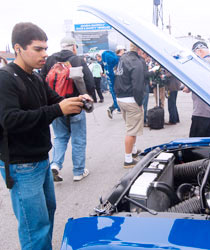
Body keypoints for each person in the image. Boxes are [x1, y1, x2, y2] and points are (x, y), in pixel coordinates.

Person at [0, 22, 89, 250]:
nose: (45, 54)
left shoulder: (35, 76)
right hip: (22, 166)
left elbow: (54, 100)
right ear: (18, 48)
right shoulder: (6, 79)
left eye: (45, 48)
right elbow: (10, 120)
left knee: (46, 220)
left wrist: (77, 100)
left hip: (41, 160)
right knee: (35, 230)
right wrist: (58, 110)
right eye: (38, 49)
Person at [41, 36, 95, 182]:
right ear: (73, 47)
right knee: (78, 139)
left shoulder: (50, 60)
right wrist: (90, 98)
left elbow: (42, 80)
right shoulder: (77, 60)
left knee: (60, 137)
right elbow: (89, 81)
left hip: (57, 105)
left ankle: (56, 165)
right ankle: (78, 171)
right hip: (75, 104)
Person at [115, 43, 145, 168]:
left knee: (132, 127)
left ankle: (133, 151)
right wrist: (139, 102)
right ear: (139, 49)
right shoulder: (136, 62)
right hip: (131, 99)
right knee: (131, 131)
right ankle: (128, 159)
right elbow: (137, 85)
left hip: (120, 98)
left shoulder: (124, 58)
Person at [183, 41, 210, 137]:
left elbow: (188, 88)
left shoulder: (200, 64)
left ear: (199, 51)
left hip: (201, 111)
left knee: (196, 144)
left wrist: (186, 87)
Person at [102, 49, 121, 119]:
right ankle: (113, 108)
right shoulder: (114, 62)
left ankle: (114, 108)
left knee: (116, 96)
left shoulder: (106, 63)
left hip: (111, 82)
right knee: (119, 97)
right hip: (117, 82)